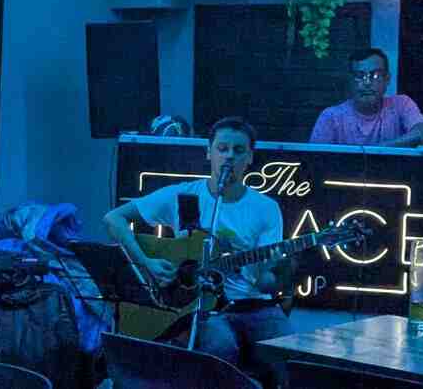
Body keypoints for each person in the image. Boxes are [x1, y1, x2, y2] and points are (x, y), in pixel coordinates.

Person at [102, 117, 292, 375]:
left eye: (238, 151)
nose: (229, 157)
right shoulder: (184, 196)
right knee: (220, 346)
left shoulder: (266, 208)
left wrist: (276, 274)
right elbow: (114, 218)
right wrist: (146, 263)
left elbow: (262, 281)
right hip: (198, 306)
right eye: (222, 149)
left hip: (252, 304)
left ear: (249, 158)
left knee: (288, 351)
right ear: (208, 152)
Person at [310, 48, 423, 147]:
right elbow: (315, 161)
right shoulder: (331, 117)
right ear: (350, 81)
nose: (367, 83)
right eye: (360, 75)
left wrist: (379, 149)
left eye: (376, 75)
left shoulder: (401, 105)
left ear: (387, 80)